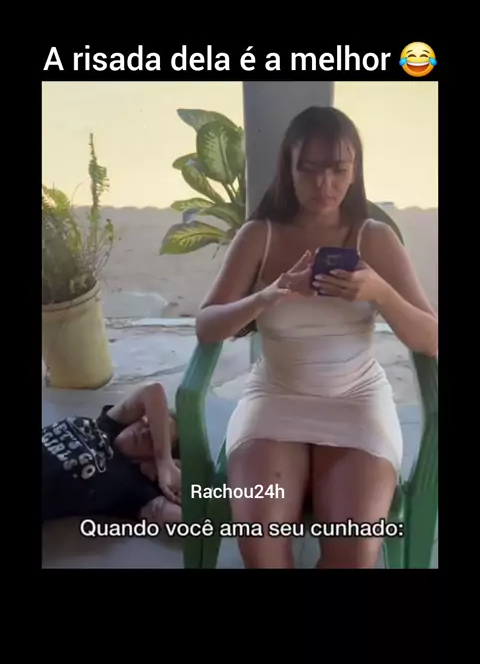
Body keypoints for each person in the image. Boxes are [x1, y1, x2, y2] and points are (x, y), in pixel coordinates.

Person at [195, 106, 437, 569]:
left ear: (355, 171)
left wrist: (379, 292)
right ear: (288, 169)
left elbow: (431, 338)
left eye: (338, 169)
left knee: (354, 550)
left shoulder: (375, 237)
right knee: (262, 545)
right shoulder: (258, 236)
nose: (324, 184)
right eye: (308, 169)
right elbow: (207, 326)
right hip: (276, 398)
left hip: (356, 400)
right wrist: (269, 295)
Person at [42, 382, 182, 528]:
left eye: (152, 439)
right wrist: (164, 459)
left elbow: (183, 516)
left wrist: (172, 474)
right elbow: (152, 390)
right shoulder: (107, 424)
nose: (144, 432)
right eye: (148, 424)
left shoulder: (131, 485)